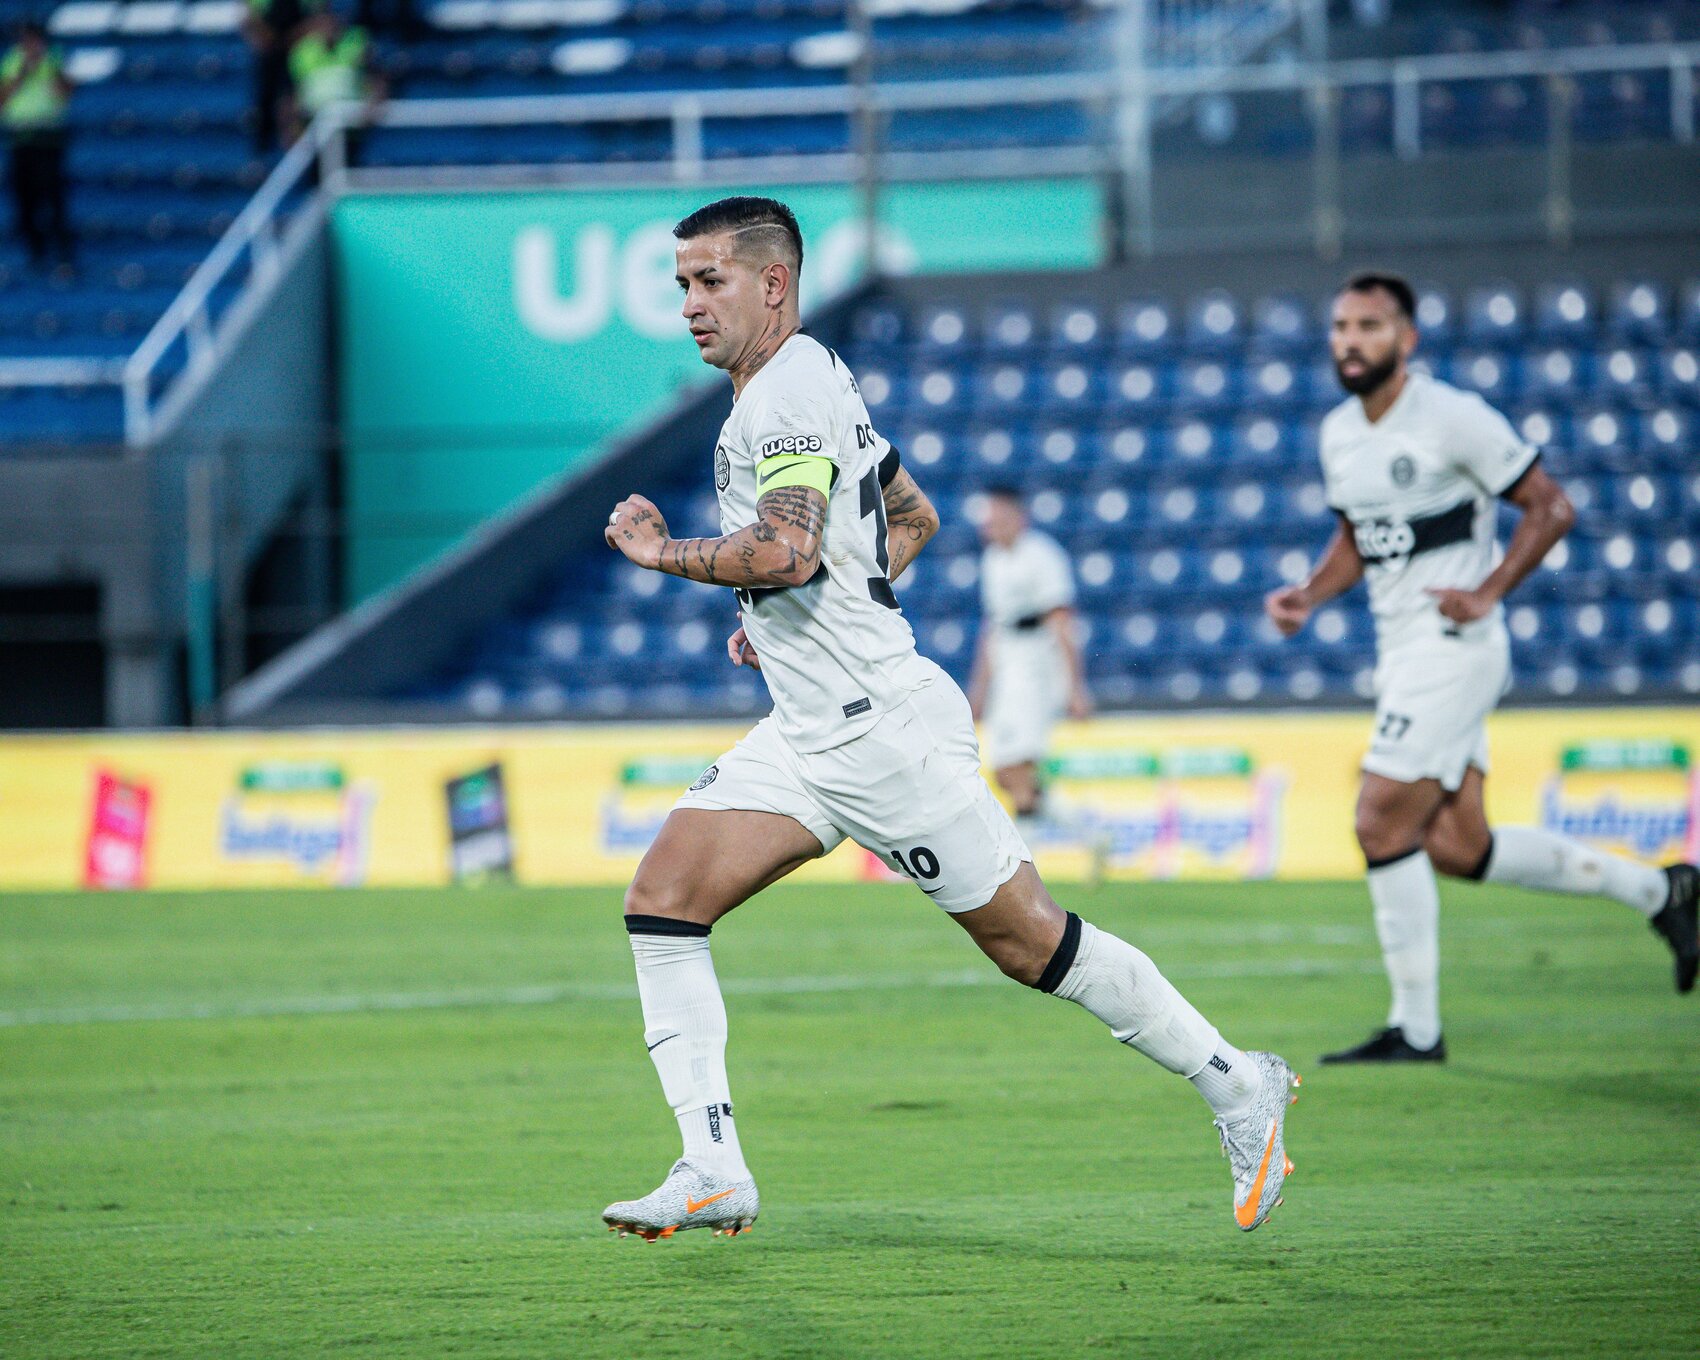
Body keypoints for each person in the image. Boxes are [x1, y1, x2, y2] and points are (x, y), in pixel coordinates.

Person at [599, 196, 1299, 1242]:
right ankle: (712, 1168)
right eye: (682, 286)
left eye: (710, 281)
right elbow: (906, 517)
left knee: (1031, 944)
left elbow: (784, 550)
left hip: (879, 733)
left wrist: (667, 554)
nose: (691, 305)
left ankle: (1239, 1084)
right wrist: (789, 622)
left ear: (773, 283)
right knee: (663, 901)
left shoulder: (780, 395)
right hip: (809, 724)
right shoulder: (808, 375)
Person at [1265, 271, 1699, 1065]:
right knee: (1460, 847)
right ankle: (1660, 891)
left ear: (1406, 338)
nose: (1350, 341)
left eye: (1368, 326)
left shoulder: (1452, 416)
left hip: (1453, 648)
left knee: (1378, 819)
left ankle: (1416, 1031)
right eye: (1341, 327)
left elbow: (1551, 506)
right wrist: (1310, 595)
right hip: (1402, 651)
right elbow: (1361, 538)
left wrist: (1488, 590)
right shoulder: (1338, 433)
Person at [967, 485, 1093, 841]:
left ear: (1017, 516)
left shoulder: (1041, 555)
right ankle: (1088, 832)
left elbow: (1062, 621)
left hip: (1037, 660)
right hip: (1007, 660)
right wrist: (979, 689)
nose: (990, 525)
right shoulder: (993, 560)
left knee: (1017, 763)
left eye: (997, 516)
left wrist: (1075, 687)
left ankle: (1024, 855)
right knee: (1005, 772)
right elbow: (992, 627)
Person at [1, 21, 74, 270]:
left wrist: (50, 68)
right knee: (25, 199)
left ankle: (63, 253)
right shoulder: (11, 62)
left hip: (49, 136)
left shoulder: (54, 61)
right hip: (20, 137)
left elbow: (66, 93)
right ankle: (36, 253)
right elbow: (2, 99)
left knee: (54, 197)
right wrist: (21, 74)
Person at [284, 10, 385, 150]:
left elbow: (376, 82)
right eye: (320, 23)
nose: (327, 28)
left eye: (330, 22)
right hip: (314, 126)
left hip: (351, 125)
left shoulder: (356, 45)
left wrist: (372, 105)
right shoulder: (302, 52)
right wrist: (292, 126)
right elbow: (291, 96)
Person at [245, 0, 317, 155]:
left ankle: (295, 145)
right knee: (269, 97)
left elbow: (318, 17)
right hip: (270, 51)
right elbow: (250, 18)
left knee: (294, 99)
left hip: (300, 50)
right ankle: (264, 143)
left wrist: (293, 37)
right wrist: (267, 37)